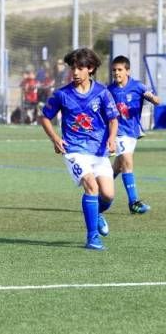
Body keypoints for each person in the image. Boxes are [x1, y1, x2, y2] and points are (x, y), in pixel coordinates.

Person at [39, 48, 119, 251]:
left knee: (108, 195)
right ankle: (92, 237)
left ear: (90, 69)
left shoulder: (102, 92)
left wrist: (111, 138)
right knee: (91, 186)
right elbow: (44, 117)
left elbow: (113, 119)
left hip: (98, 151)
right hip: (74, 149)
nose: (74, 72)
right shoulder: (62, 95)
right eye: (72, 68)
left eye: (80, 68)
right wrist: (55, 138)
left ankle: (97, 214)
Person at [108, 55, 161, 214]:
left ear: (127, 71)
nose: (116, 73)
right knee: (127, 162)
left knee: (118, 166)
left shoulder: (137, 86)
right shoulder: (109, 90)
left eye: (120, 70)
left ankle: (98, 191)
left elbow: (157, 101)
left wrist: (152, 97)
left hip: (132, 133)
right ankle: (134, 202)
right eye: (114, 70)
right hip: (118, 132)